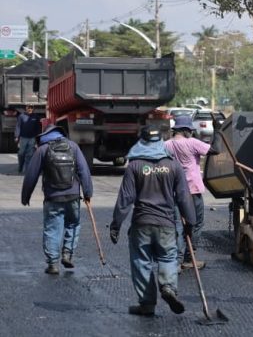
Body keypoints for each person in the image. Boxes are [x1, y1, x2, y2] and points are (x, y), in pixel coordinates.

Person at [110, 125, 196, 316]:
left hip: (141, 224)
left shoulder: (134, 166)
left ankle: (147, 304)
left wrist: (116, 225)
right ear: (160, 142)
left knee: (141, 261)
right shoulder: (174, 166)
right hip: (166, 223)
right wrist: (190, 223)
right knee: (168, 257)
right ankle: (168, 287)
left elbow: (125, 199)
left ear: (142, 141)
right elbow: (184, 197)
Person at [20, 124, 93, 275]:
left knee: (52, 228)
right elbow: (84, 170)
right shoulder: (73, 147)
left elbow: (31, 175)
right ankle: (67, 254)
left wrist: (25, 196)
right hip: (73, 196)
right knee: (73, 224)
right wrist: (87, 192)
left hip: (53, 197)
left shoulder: (43, 149)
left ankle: (53, 264)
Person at [164, 114, 219, 271]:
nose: (192, 132)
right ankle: (189, 257)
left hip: (174, 191)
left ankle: (177, 261)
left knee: (177, 225)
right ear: (185, 130)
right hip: (192, 191)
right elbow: (216, 150)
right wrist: (218, 130)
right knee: (196, 222)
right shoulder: (192, 143)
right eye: (190, 130)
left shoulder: (166, 145)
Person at [15, 104, 42, 174]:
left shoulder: (36, 117)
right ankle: (20, 166)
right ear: (26, 108)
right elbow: (18, 126)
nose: (30, 109)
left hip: (32, 138)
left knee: (29, 154)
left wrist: (38, 138)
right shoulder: (21, 116)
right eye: (28, 108)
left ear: (33, 109)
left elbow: (38, 128)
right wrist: (17, 136)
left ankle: (27, 170)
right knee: (21, 153)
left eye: (31, 108)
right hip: (23, 137)